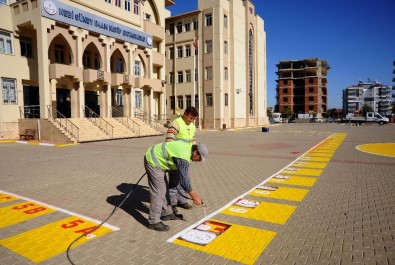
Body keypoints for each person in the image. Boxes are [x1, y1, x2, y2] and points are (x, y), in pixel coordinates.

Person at [144, 141, 208, 231]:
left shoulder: (187, 151)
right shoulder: (183, 156)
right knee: (159, 191)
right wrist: (194, 196)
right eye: (199, 158)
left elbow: (181, 177)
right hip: (153, 160)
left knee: (164, 189)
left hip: (159, 159)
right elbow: (184, 180)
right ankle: (153, 222)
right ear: (195, 152)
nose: (198, 161)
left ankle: (166, 213)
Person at [165, 107, 198, 213]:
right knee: (174, 181)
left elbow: (192, 139)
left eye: (193, 119)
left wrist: (194, 150)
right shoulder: (176, 123)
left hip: (185, 157)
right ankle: (172, 203)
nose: (191, 120)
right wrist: (172, 157)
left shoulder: (192, 125)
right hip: (175, 157)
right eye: (190, 118)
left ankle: (182, 201)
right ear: (185, 114)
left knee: (185, 179)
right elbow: (169, 140)